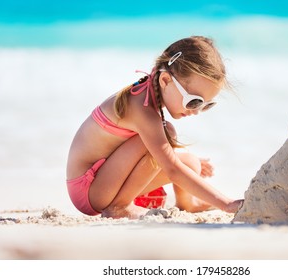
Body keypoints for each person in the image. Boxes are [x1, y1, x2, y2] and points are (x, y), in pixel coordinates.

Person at [66, 36, 243, 219]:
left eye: (205, 105)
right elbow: (173, 170)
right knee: (168, 135)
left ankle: (187, 203)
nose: (196, 111)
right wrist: (226, 204)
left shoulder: (150, 93)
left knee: (190, 163)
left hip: (104, 182)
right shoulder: (141, 109)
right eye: (194, 101)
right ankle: (120, 206)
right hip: (89, 189)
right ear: (166, 80)